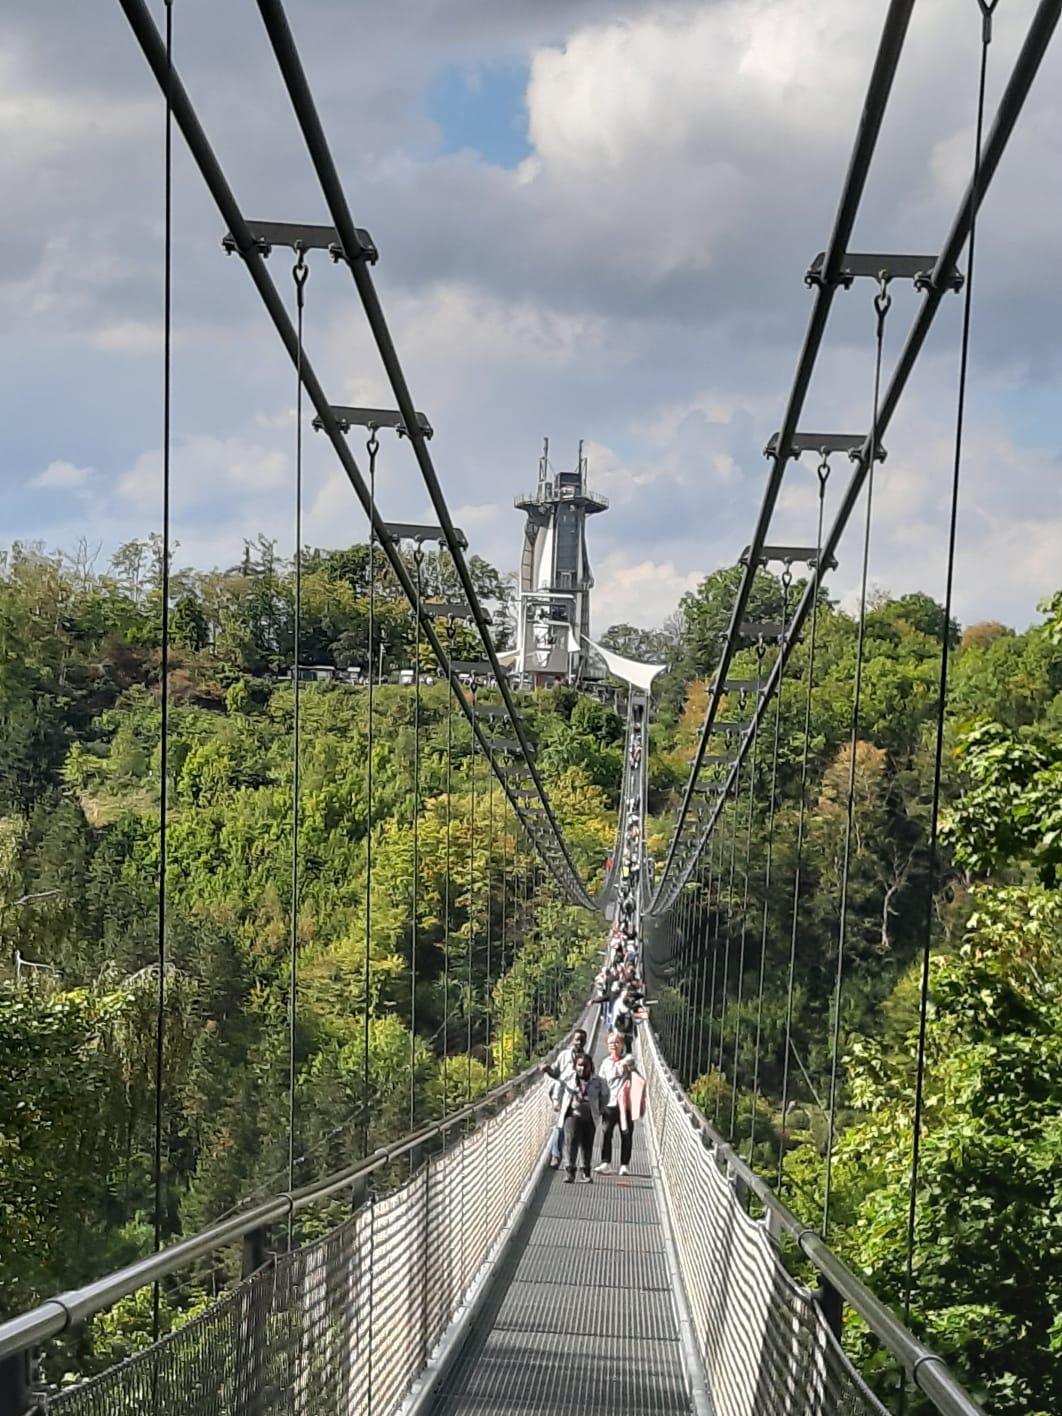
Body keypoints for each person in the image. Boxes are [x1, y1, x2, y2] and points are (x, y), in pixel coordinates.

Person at [554, 1053, 605, 1183]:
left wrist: (600, 1110)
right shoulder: (569, 1076)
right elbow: (558, 1085)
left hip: (590, 1117)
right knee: (570, 1143)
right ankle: (569, 1172)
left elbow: (605, 1095)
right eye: (579, 1065)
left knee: (587, 1145)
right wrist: (556, 1101)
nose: (581, 1068)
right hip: (572, 1115)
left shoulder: (598, 1081)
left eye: (584, 1065)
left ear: (590, 1067)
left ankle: (585, 1172)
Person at [541, 1029, 588, 1168]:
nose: (579, 1042)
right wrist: (547, 1069)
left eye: (581, 1040)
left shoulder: (586, 1060)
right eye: (577, 1039)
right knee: (560, 1126)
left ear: (585, 1042)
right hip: (564, 1095)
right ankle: (556, 1156)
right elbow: (556, 1074)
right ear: (572, 1040)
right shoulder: (564, 1056)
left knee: (573, 1130)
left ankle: (570, 1160)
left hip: (578, 1099)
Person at [597, 1032, 641, 1176]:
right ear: (607, 1046)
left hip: (625, 1105)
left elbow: (631, 1060)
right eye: (611, 1043)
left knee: (626, 1134)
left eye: (617, 1042)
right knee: (606, 1133)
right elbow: (600, 1082)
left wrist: (622, 1063)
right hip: (609, 1104)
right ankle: (605, 1162)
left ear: (622, 1045)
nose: (614, 1045)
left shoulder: (627, 1059)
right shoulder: (605, 1063)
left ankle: (624, 1165)